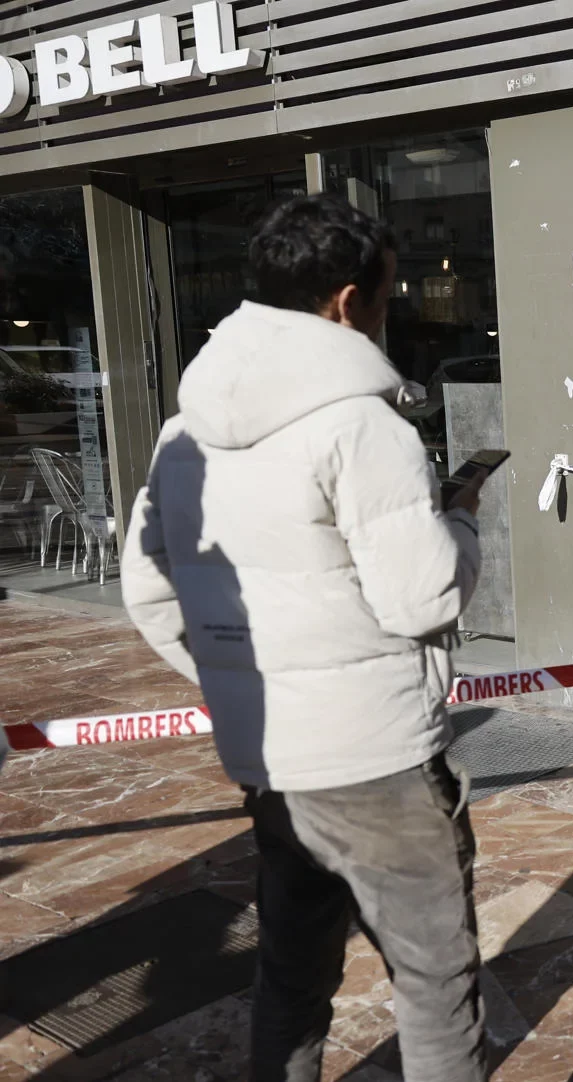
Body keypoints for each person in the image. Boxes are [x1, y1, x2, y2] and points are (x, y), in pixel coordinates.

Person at [122, 195, 486, 1082]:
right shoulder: (366, 425)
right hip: (378, 759)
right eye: (392, 295)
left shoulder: (183, 434)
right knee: (435, 984)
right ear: (350, 300)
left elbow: (148, 589)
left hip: (270, 753)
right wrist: (464, 523)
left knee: (291, 975)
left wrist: (239, 675)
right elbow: (423, 596)